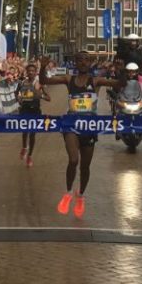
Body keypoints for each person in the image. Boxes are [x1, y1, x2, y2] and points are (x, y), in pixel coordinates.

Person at [39, 52, 121, 218]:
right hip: (71, 125)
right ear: (75, 63)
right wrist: (42, 67)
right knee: (73, 160)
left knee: (85, 166)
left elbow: (119, 84)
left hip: (89, 126)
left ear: (90, 63)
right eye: (79, 60)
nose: (82, 63)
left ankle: (81, 195)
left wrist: (121, 71)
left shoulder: (96, 81)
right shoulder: (68, 79)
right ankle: (68, 193)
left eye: (85, 60)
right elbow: (44, 81)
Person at [16, 62, 51, 167]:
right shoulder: (22, 83)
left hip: (35, 111)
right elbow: (16, 93)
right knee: (24, 131)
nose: (31, 72)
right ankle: (24, 147)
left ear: (36, 73)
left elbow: (49, 98)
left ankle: (30, 156)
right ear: (26, 72)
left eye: (33, 71)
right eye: (29, 71)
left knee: (32, 134)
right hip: (24, 110)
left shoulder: (39, 83)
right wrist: (19, 99)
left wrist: (40, 95)